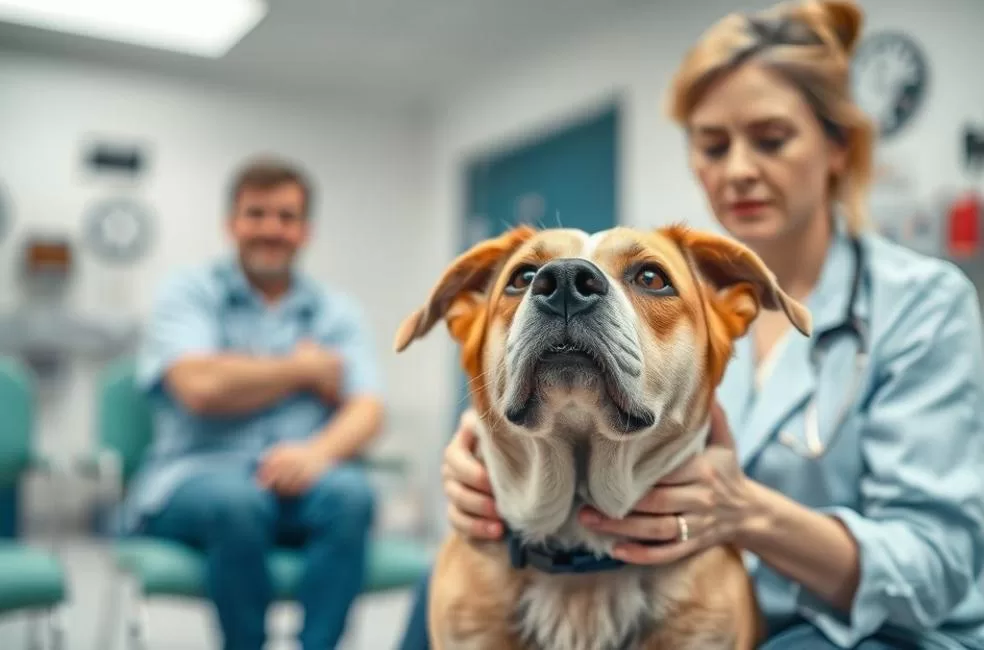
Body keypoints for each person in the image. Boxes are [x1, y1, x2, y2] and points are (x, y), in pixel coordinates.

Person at [398, 1, 984, 648]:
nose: (737, 169)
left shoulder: (923, 303)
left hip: (857, 623)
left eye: (771, 139)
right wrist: (486, 447)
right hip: (680, 593)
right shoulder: (676, 291)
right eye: (712, 144)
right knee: (442, 583)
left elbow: (942, 565)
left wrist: (747, 513)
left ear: (837, 146)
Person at [120, 157, 386, 650]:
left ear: (305, 230)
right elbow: (199, 387)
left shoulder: (335, 310)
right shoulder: (189, 291)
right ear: (232, 224)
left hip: (303, 476)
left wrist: (317, 454)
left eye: (286, 217)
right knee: (238, 502)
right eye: (256, 213)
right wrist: (304, 370)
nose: (271, 228)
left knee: (353, 494)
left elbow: (367, 409)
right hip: (196, 478)